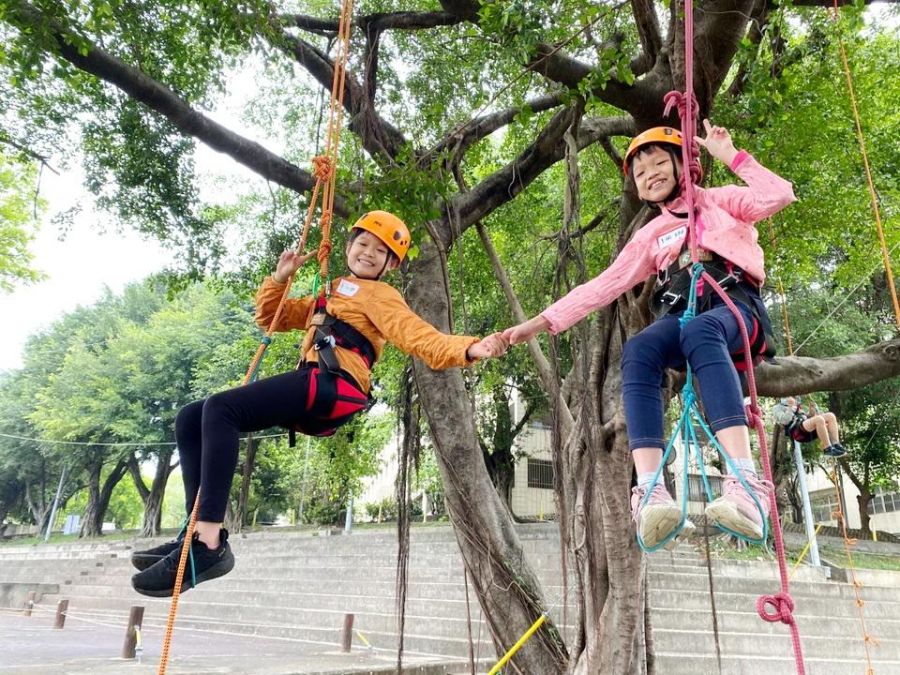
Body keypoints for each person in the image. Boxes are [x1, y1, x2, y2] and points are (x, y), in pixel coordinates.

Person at [131, 211, 508, 596]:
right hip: (314, 383)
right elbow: (271, 318)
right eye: (362, 243)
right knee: (191, 416)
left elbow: (418, 337)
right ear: (348, 247)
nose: (368, 253)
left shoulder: (382, 296)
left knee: (220, 409)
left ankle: (208, 544)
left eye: (380, 251)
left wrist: (469, 347)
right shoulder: (329, 294)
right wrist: (280, 278)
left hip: (332, 383)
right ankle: (193, 530)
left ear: (391, 264)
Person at [502, 121, 797, 548]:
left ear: (684, 167)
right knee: (639, 348)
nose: (651, 174)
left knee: (701, 329)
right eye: (641, 173)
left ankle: (746, 485)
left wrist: (730, 155)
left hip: (733, 308)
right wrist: (542, 321)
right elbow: (602, 286)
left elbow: (778, 195)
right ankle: (651, 490)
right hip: (680, 315)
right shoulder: (651, 235)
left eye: (660, 163)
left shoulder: (721, 202)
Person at [772, 397, 846, 458]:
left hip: (805, 426)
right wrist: (790, 407)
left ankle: (836, 444)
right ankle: (827, 448)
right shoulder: (777, 408)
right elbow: (785, 421)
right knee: (819, 419)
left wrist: (811, 413)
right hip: (796, 431)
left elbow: (805, 417)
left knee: (830, 416)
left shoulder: (797, 403)